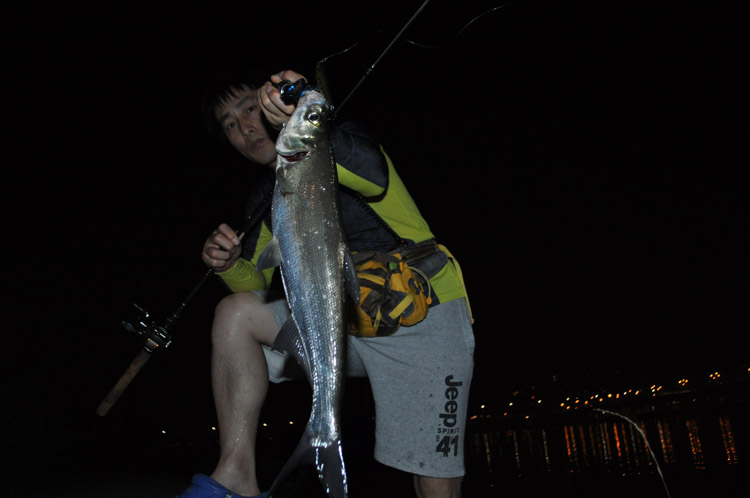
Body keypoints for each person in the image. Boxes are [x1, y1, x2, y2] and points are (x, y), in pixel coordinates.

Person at [176, 67, 475, 498]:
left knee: (434, 480)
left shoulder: (345, 142)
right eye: (230, 125)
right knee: (234, 314)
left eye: (248, 109)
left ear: (272, 105)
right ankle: (235, 474)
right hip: (337, 328)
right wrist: (226, 264)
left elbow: (374, 176)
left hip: (420, 314)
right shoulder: (265, 198)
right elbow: (255, 283)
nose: (244, 127)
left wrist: (310, 120)